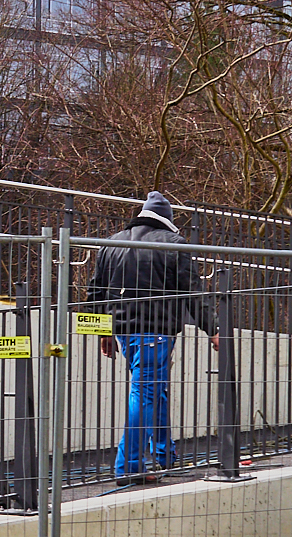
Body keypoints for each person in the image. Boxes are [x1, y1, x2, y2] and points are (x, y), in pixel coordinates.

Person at [88, 190, 219, 482]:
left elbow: (96, 292)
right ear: (167, 220)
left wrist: (104, 331)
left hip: (124, 330)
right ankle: (129, 466)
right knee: (145, 394)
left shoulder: (111, 244)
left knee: (153, 391)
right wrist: (214, 328)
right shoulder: (175, 244)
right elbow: (192, 291)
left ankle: (164, 456)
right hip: (157, 331)